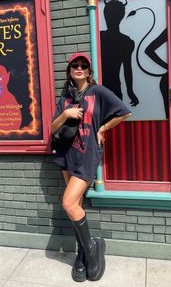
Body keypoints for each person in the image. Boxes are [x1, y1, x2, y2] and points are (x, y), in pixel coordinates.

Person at [51, 52, 131, 282]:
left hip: (87, 155)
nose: (79, 68)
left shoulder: (98, 92)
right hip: (67, 154)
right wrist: (65, 113)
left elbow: (124, 112)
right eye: (74, 65)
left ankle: (93, 248)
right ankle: (82, 253)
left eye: (83, 65)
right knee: (75, 204)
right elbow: (52, 128)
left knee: (67, 202)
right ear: (69, 71)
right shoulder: (65, 98)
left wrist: (102, 128)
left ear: (88, 71)